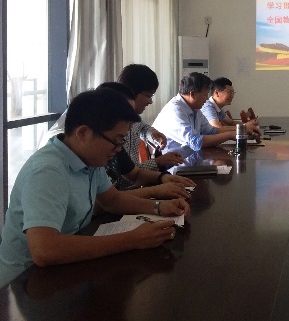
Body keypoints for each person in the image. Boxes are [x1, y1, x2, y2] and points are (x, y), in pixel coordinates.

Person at [0, 89, 190, 288]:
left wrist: (159, 207)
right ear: (83, 133)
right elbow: (45, 250)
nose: (119, 149)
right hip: (24, 283)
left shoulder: (89, 159)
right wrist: (133, 239)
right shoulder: (48, 170)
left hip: (64, 268)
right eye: (116, 141)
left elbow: (112, 200)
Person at [97, 83, 196, 200]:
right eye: (148, 95)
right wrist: (154, 192)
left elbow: (135, 174)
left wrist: (163, 177)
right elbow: (108, 201)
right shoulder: (98, 154)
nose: (131, 126)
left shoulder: (115, 143)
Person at [152, 72, 259, 152]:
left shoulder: (194, 108)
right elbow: (196, 141)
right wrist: (231, 134)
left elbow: (212, 131)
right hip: (172, 166)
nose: (207, 99)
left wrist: (241, 131)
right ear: (192, 94)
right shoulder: (176, 110)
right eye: (205, 95)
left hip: (188, 158)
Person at [117, 64, 185, 172]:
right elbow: (127, 176)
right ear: (131, 92)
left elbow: (141, 127)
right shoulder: (116, 127)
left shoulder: (132, 117)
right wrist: (158, 162)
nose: (150, 101)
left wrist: (151, 132)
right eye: (148, 96)